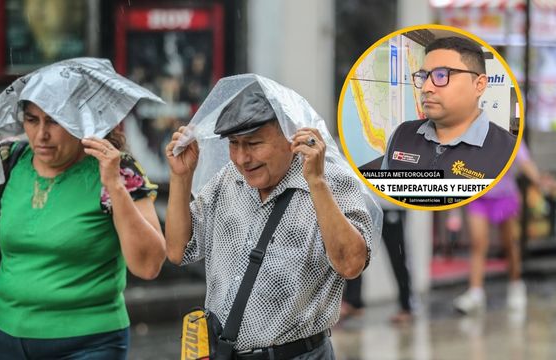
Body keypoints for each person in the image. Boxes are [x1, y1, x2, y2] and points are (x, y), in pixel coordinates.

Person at [0, 58, 166, 359]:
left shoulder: (116, 169)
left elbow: (148, 265)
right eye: (32, 120)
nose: (41, 135)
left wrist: (115, 187)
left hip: (89, 342)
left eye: (54, 121)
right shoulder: (10, 160)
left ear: (81, 120)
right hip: (8, 336)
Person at [165, 76, 380, 359]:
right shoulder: (226, 181)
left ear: (291, 135)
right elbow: (177, 250)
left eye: (253, 143)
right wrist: (181, 178)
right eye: (234, 144)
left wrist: (316, 183)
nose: (242, 158)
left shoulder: (331, 181)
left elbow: (351, 265)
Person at [381, 36, 516, 180]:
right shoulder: (401, 135)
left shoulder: (510, 152)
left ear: (479, 85)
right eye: (424, 76)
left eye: (441, 75)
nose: (426, 88)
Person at [453, 141, 547, 314]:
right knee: (478, 243)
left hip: (504, 196)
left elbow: (525, 162)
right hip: (478, 197)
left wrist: (540, 181)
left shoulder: (509, 137)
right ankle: (475, 293)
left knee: (509, 244)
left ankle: (516, 284)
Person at [342, 206, 413, 325]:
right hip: (364, 202)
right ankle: (354, 301)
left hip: (389, 204)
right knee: (354, 248)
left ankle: (407, 306)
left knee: (398, 254)